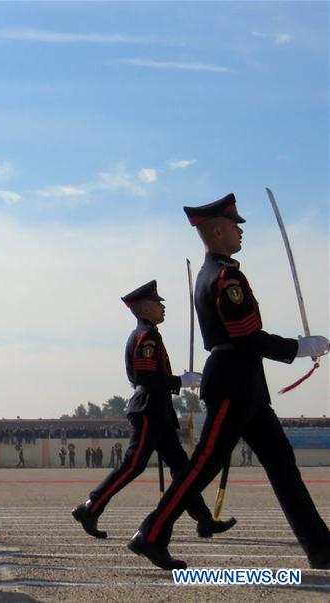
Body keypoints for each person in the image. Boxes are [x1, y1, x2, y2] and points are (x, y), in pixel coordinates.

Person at [128, 194, 330, 571]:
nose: (240, 232)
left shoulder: (218, 273)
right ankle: (152, 531)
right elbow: (245, 335)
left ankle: (320, 547)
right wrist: (298, 348)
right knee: (205, 462)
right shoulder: (225, 277)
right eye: (235, 226)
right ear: (218, 230)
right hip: (232, 383)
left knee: (282, 463)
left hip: (246, 384)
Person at [72, 280, 236, 542]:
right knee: (133, 465)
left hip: (158, 411)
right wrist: (180, 381)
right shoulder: (147, 336)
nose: (162, 308)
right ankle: (91, 507)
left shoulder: (144, 334)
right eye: (158, 304)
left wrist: (179, 381)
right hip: (149, 409)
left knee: (183, 469)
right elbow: (145, 378)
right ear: (146, 308)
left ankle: (204, 519)